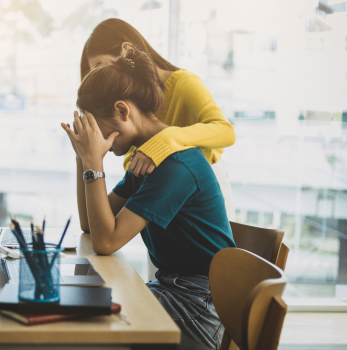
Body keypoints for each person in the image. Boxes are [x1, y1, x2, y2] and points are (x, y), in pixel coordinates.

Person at [61, 48, 236, 350]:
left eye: (95, 125)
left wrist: (94, 163)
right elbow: (91, 224)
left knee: (84, 325)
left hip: (199, 306)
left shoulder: (174, 166)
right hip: (173, 290)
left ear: (122, 111)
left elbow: (106, 242)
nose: (94, 135)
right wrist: (83, 158)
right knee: (78, 306)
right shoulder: (147, 157)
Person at [80, 18, 236, 221]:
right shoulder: (131, 106)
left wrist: (164, 140)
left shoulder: (183, 83)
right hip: (161, 190)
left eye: (100, 67)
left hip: (201, 195)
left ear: (126, 51)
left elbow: (226, 131)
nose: (100, 79)